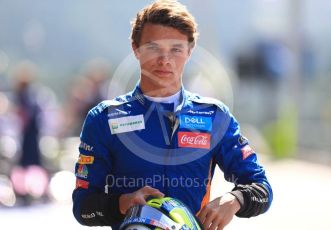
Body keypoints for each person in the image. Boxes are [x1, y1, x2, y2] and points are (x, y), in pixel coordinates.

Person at [72, 1, 273, 229]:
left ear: (189, 51)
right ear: (135, 48)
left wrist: (235, 199)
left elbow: (261, 188)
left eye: (175, 49)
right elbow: (83, 208)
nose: (164, 60)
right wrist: (122, 202)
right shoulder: (104, 119)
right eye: (153, 47)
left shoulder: (214, 116)